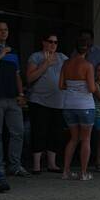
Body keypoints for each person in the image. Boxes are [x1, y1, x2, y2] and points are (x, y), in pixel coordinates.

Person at [26, 31, 68, 174]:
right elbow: (29, 78)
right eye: (50, 41)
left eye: (55, 42)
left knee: (55, 133)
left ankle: (52, 164)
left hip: (58, 102)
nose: (53, 45)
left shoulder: (62, 57)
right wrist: (45, 64)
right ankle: (37, 166)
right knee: (39, 132)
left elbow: (72, 71)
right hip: (39, 101)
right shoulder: (36, 56)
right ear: (44, 42)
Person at [59, 37, 96, 180]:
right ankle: (83, 173)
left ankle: (66, 171)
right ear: (88, 50)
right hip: (85, 105)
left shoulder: (66, 64)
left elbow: (61, 85)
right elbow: (92, 88)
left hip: (68, 105)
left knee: (73, 138)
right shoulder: (88, 65)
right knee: (86, 139)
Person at [0, 20, 29, 177]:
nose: (3, 32)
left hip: (13, 98)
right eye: (0, 30)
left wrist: (21, 94)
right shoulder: (4, 52)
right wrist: (1, 53)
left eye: (6, 29)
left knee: (18, 132)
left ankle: (15, 165)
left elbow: (17, 75)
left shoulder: (14, 53)